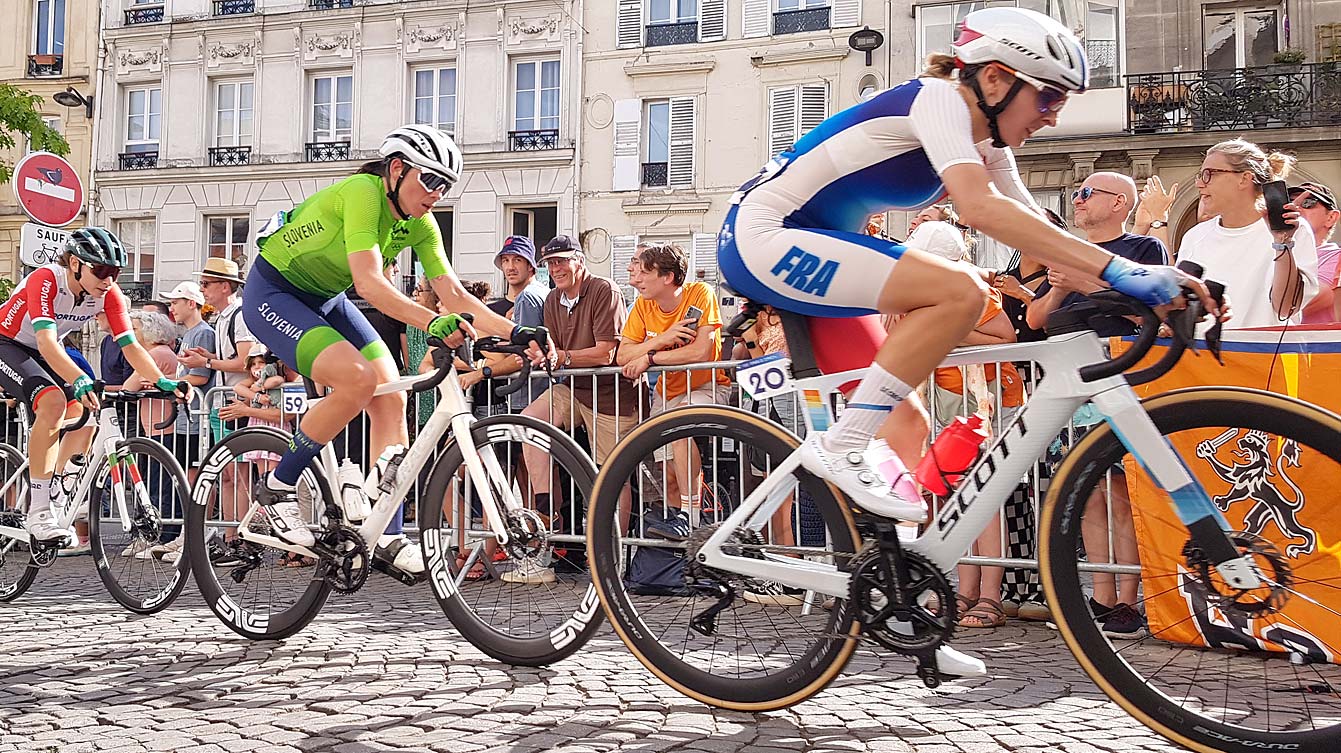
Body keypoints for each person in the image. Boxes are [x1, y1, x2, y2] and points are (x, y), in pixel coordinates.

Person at [717, 7, 1215, 676]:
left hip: (821, 241)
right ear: (994, 77)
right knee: (956, 292)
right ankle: (838, 445)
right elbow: (980, 211)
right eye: (1047, 96)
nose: (1053, 115)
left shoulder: (989, 143)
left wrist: (1148, 281)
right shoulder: (938, 102)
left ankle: (898, 607)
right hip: (763, 235)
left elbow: (1034, 235)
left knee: (908, 427)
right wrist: (1126, 270)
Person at [240, 123, 546, 578]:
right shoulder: (363, 191)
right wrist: (432, 320)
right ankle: (276, 492)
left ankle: (386, 534)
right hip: (274, 293)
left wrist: (518, 331)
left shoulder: (420, 223)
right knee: (358, 379)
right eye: (431, 180)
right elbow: (370, 284)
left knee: (392, 395)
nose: (437, 193)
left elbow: (457, 295)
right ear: (398, 169)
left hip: (327, 299)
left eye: (446, 185)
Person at [0, 228, 185, 543]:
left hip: (50, 347)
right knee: (53, 402)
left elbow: (131, 346)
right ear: (75, 264)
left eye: (114, 273)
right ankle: (39, 511)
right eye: (100, 271)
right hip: (9, 343)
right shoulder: (45, 279)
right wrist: (79, 378)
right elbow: (45, 342)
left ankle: (56, 485)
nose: (108, 280)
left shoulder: (109, 295)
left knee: (86, 414)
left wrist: (163, 379)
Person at [517, 235, 640, 584]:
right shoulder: (553, 298)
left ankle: (611, 558)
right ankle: (547, 522)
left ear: (579, 261)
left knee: (611, 473)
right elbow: (555, 350)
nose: (555, 269)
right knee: (529, 424)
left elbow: (606, 353)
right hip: (572, 388)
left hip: (610, 395)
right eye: (550, 263)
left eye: (561, 261)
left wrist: (561, 357)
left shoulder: (605, 290)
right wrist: (542, 355)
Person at [618, 242, 732, 538]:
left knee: (679, 427)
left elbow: (699, 353)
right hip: (667, 393)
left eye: (644, 272)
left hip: (707, 384)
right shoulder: (643, 305)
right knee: (668, 475)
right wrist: (661, 340)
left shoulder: (700, 294)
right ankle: (681, 543)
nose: (637, 278)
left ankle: (690, 517)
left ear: (667, 277)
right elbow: (622, 356)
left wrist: (650, 358)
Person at [1178, 139, 1317, 331]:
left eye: (1209, 174)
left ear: (1244, 178)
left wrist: (1282, 243)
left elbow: (1285, 309)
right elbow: (1183, 306)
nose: (1200, 184)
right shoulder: (1194, 236)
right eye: (1200, 175)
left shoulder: (1293, 230)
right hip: (1203, 356)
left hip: (1265, 356)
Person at [1290, 181, 1340, 324]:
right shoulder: (1272, 253)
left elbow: (1299, 305)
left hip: (1313, 345)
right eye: (1290, 201)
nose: (1296, 208)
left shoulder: (1336, 258)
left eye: (1308, 203)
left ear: (1331, 218)